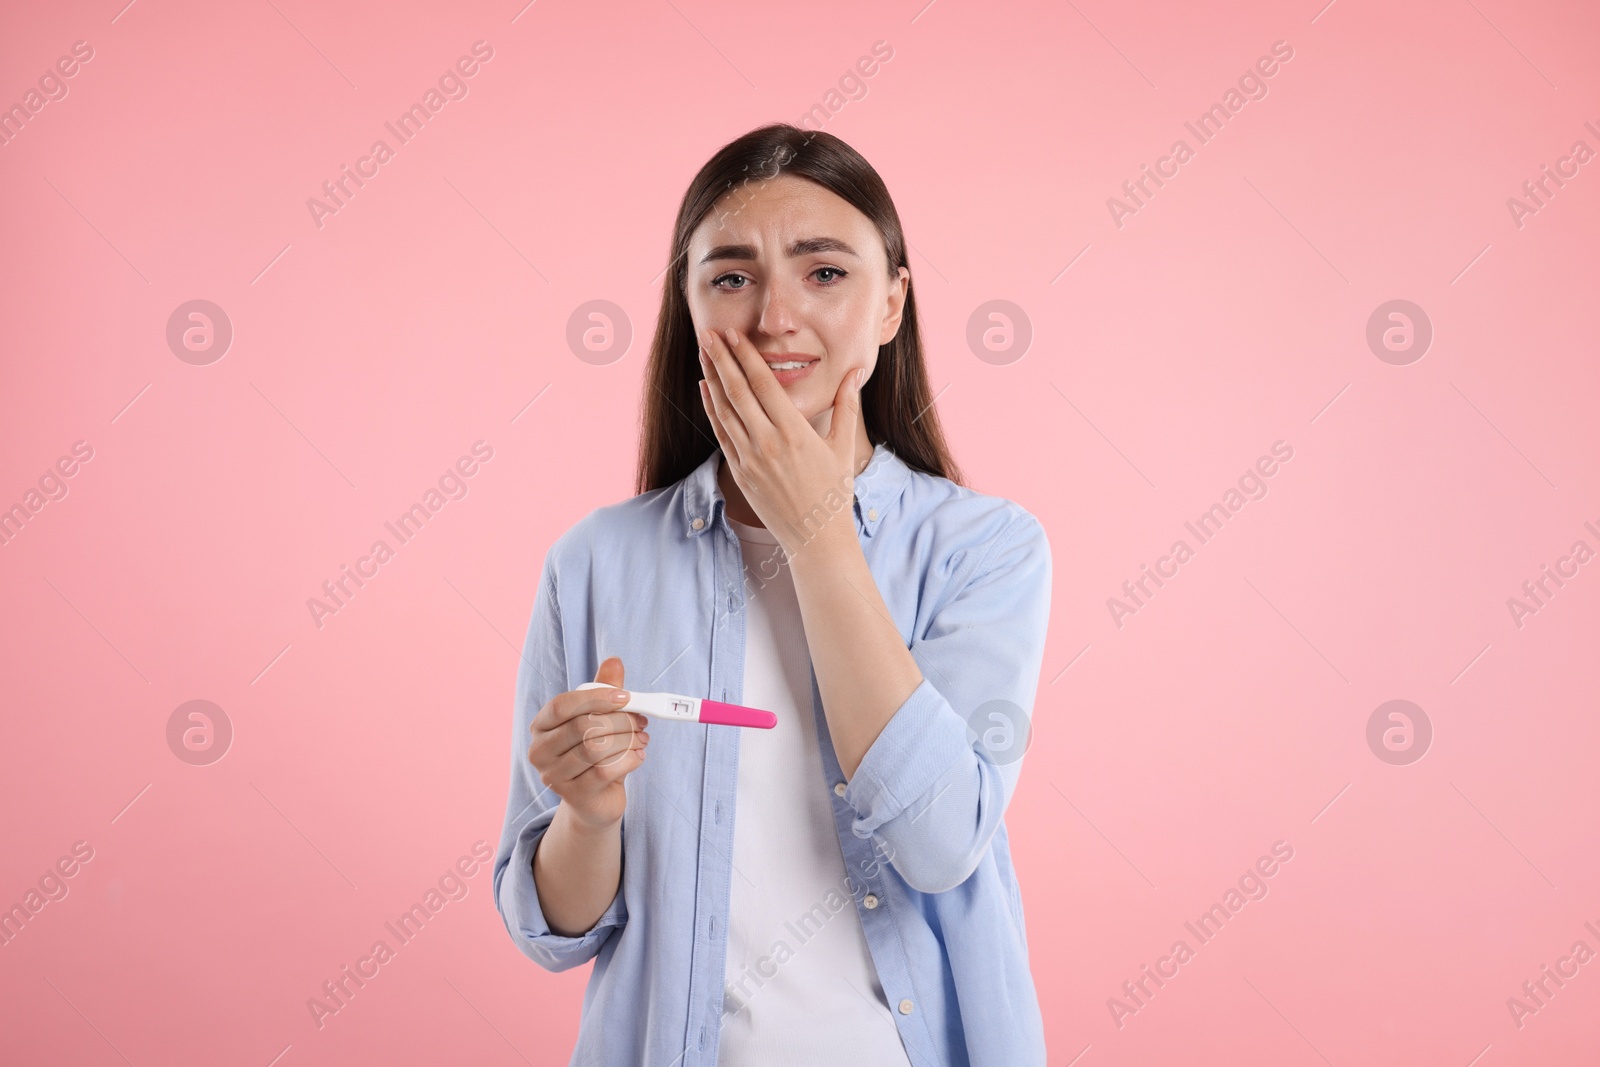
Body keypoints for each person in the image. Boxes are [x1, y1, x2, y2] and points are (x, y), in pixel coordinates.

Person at [492, 122, 1052, 1067]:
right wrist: (589, 816)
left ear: (891, 304)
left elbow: (942, 839)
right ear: (689, 308)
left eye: (825, 272)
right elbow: (552, 926)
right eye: (731, 276)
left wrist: (817, 529)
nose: (776, 319)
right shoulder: (595, 561)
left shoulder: (985, 548)